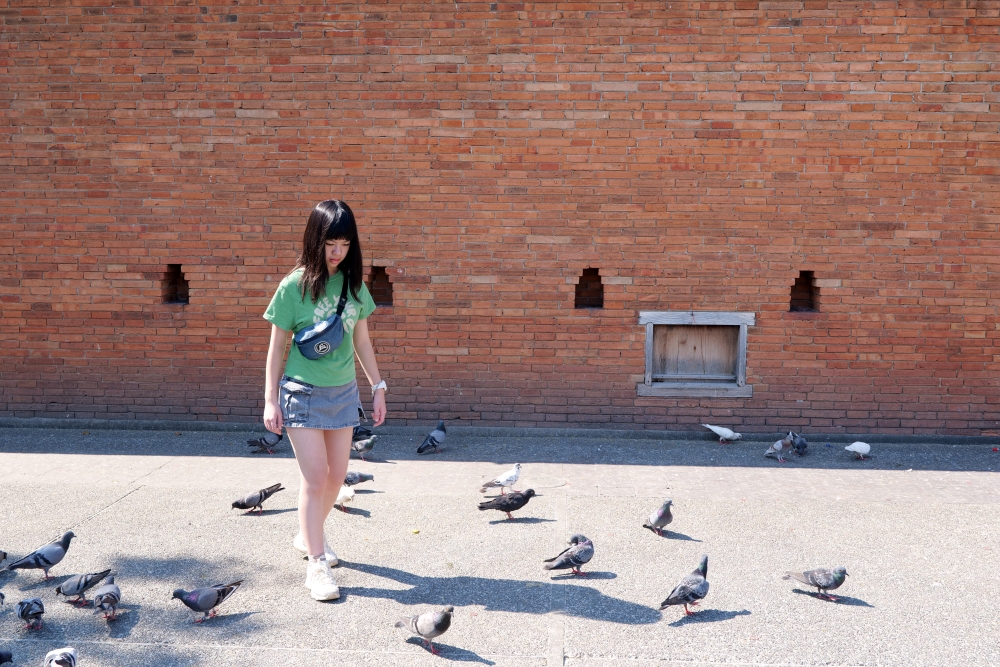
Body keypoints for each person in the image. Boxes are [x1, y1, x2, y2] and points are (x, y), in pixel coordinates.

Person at [262, 200, 387, 601]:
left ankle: (307, 533)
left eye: (345, 244)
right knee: (315, 478)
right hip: (301, 392)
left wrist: (378, 385)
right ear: (316, 240)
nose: (337, 252)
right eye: (331, 243)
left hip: (344, 392)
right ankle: (317, 564)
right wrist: (270, 400)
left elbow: (361, 341)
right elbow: (276, 345)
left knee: (336, 477)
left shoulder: (353, 286)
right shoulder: (293, 286)